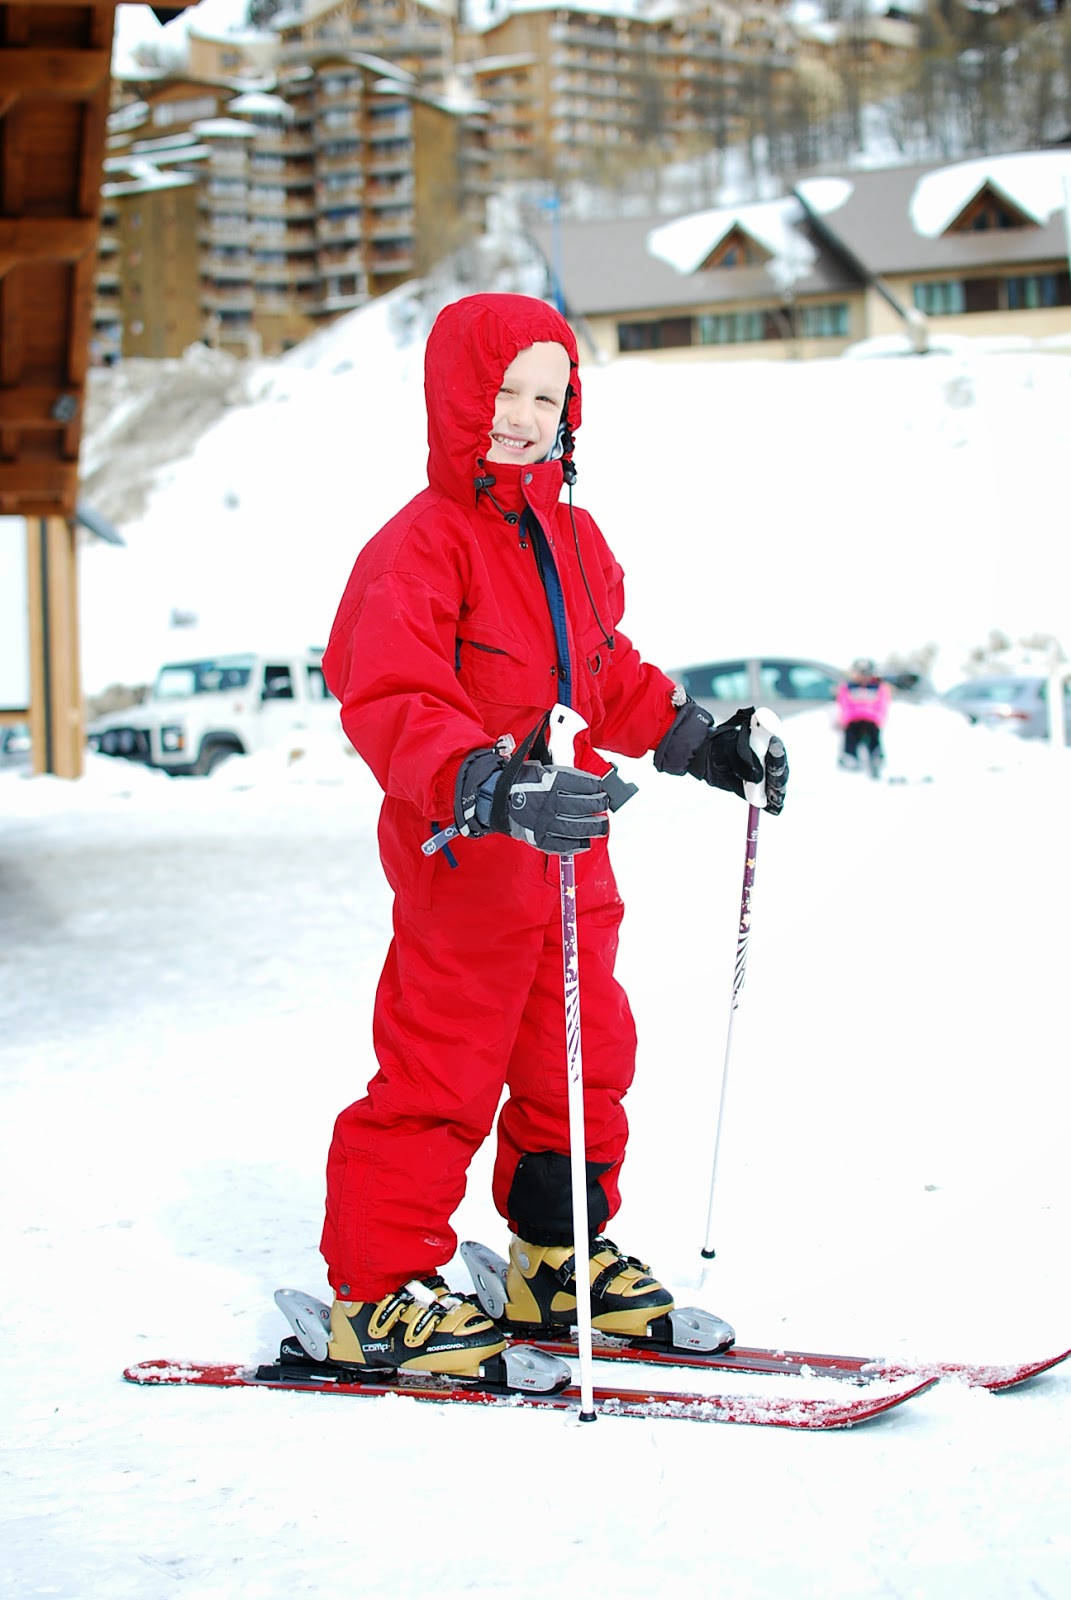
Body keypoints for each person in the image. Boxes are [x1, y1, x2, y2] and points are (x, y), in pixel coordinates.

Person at [318, 293, 789, 1377]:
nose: (524, 417)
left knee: (578, 1063)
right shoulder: (417, 548)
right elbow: (388, 695)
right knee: (440, 1072)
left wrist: (699, 740)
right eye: (504, 392)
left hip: (573, 860)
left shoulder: (571, 539)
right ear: (454, 397)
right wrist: (486, 782)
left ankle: (554, 1257)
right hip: (467, 860)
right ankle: (377, 1292)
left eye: (547, 396)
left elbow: (603, 672)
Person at [836, 658, 891, 778]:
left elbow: (882, 704)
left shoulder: (878, 687)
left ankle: (876, 755)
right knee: (851, 734)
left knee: (873, 734)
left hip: (871, 719)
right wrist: (847, 718)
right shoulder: (848, 687)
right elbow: (844, 704)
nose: (863, 677)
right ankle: (849, 755)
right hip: (853, 719)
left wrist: (877, 718)